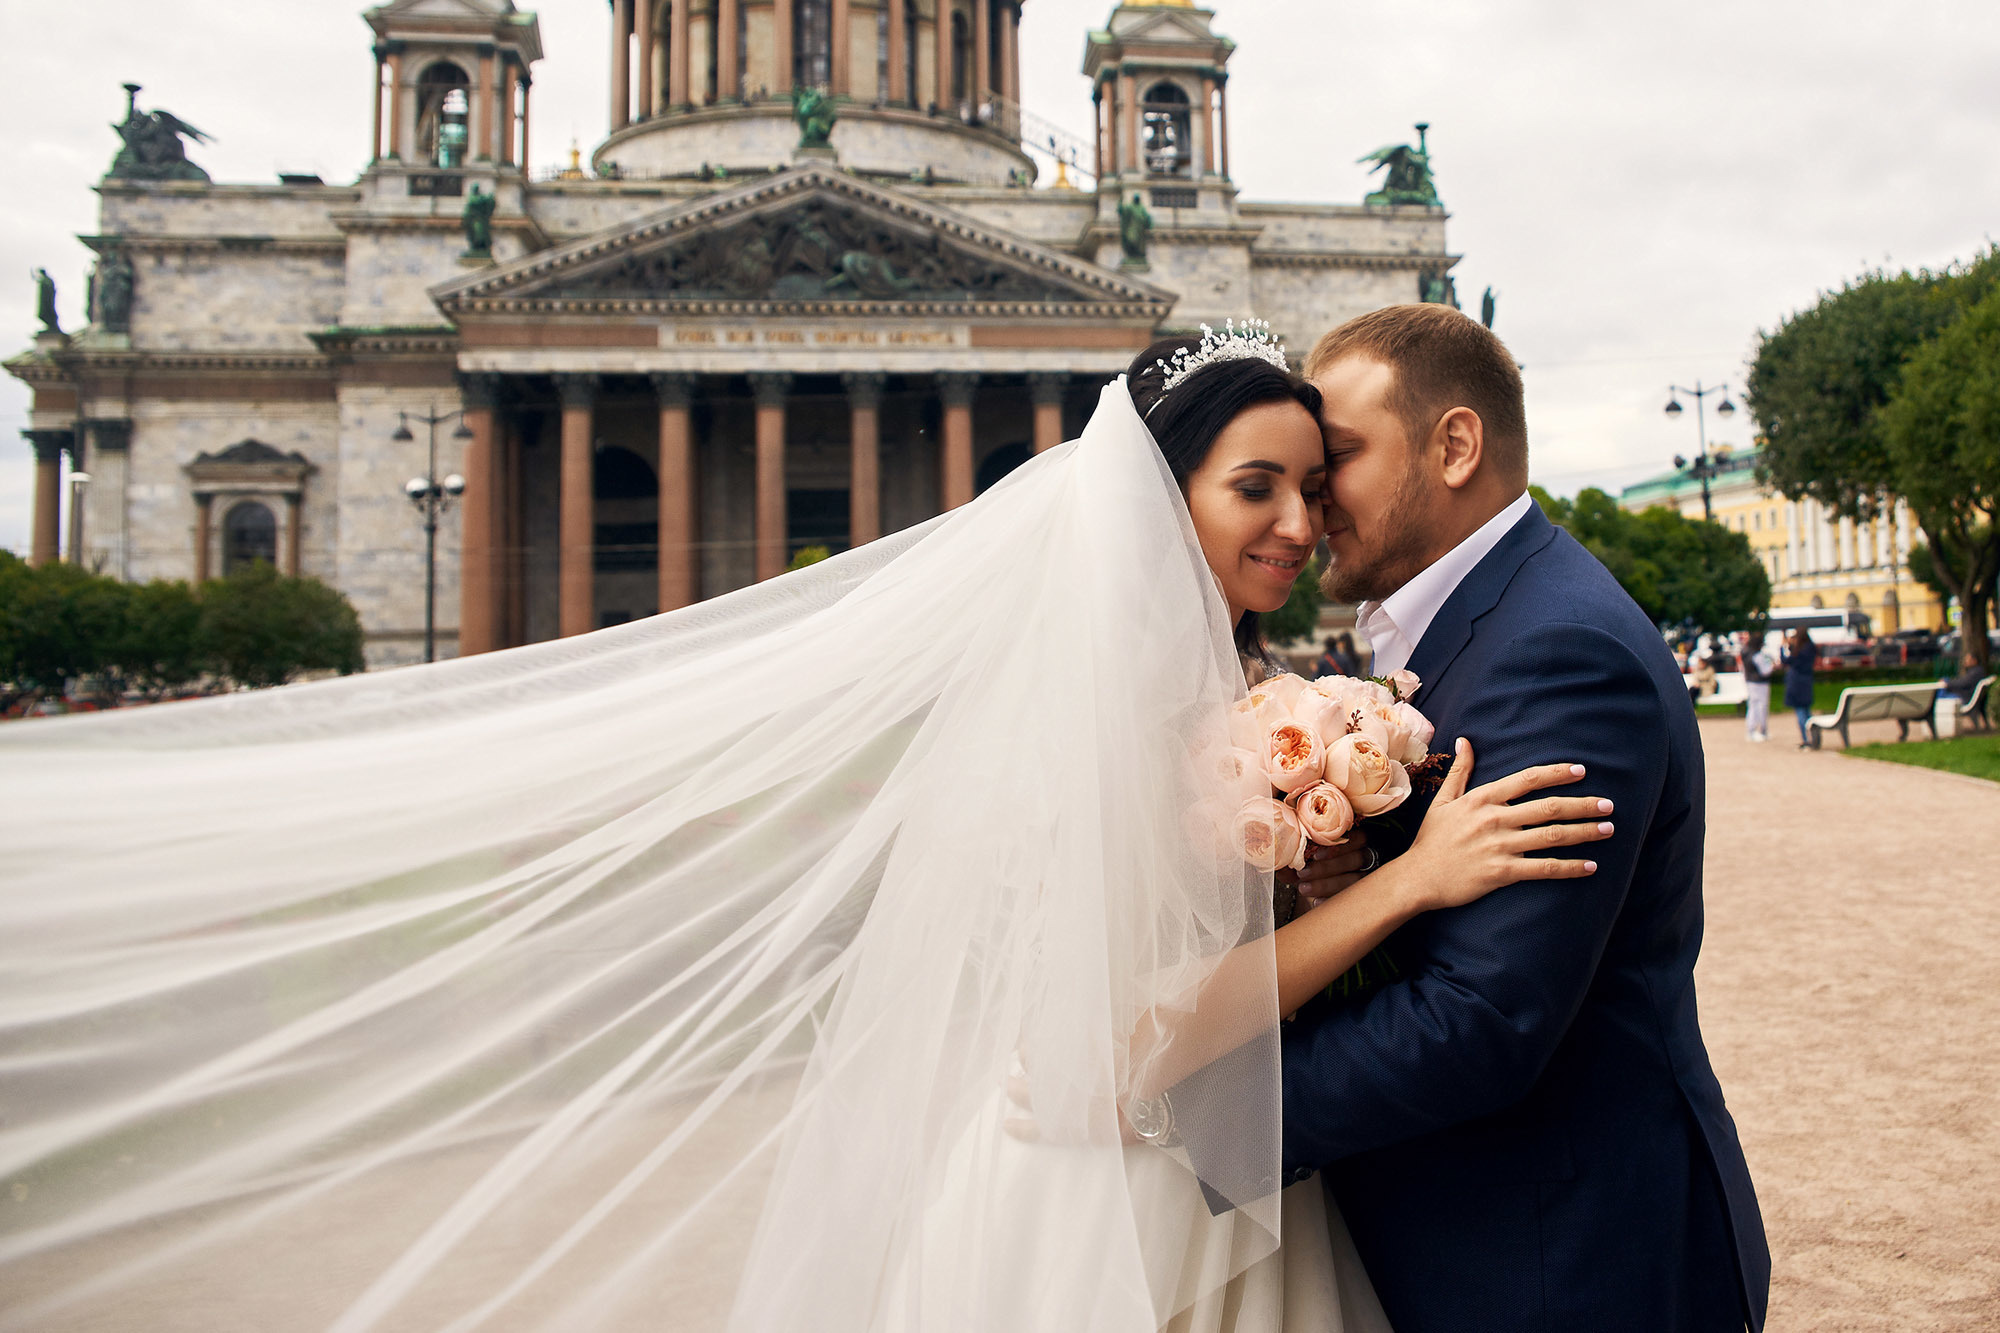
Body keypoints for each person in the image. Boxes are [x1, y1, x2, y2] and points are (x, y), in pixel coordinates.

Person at [0, 327, 1610, 1332]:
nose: (1302, 520)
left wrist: (1325, 855)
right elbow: (1111, 1044)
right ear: (1162, 495)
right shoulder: (1106, 703)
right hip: (1110, 1190)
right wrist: (1400, 895)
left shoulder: (1222, 685)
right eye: (1260, 485)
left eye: (1312, 487)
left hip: (1186, 1177)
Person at [1280, 303, 1770, 1332]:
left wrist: (1202, 1113)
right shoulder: (1483, 621)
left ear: (1453, 444)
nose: (1312, 494)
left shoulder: (1556, 652)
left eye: (1339, 455)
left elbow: (1477, 1021)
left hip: (1556, 1263)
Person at [1782, 626, 1818, 747]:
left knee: (1800, 712)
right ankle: (1813, 737)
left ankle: (1805, 739)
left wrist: (1783, 646)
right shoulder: (1810, 649)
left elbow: (1786, 661)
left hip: (1796, 684)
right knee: (1807, 712)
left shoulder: (1799, 652)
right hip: (1807, 682)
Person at [1740, 630, 1775, 741]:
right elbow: (1765, 671)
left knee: (1753, 706)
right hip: (1760, 683)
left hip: (1751, 682)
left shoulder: (1746, 653)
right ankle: (1760, 730)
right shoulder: (1757, 656)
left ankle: (1753, 730)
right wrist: (1772, 666)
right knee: (1761, 707)